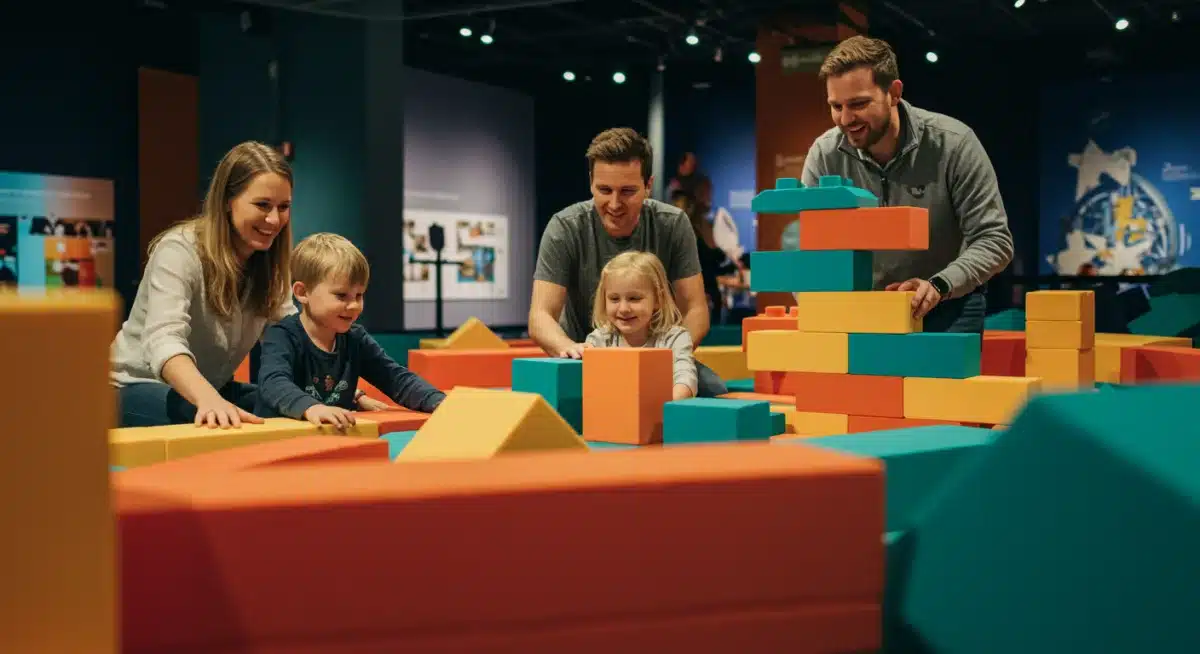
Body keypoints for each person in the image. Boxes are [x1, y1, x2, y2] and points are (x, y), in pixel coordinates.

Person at [802, 35, 1014, 333]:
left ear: (894, 93)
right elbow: (813, 249)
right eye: (836, 106)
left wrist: (938, 285)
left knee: (942, 382)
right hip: (865, 311)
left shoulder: (954, 144)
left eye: (859, 104)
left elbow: (995, 240)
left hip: (948, 305)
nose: (846, 119)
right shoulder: (824, 154)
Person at [529, 127, 727, 397]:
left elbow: (695, 309)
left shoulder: (673, 224)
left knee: (711, 387)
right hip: (586, 357)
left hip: (658, 351)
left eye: (627, 192)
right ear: (591, 182)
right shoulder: (564, 227)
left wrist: (663, 357)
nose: (614, 203)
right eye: (604, 190)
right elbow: (541, 315)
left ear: (648, 186)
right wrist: (569, 348)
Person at [110, 141, 297, 428]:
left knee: (283, 410)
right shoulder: (179, 251)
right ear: (227, 200)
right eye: (262, 205)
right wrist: (209, 401)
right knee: (214, 421)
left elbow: (292, 336)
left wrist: (340, 392)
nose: (274, 219)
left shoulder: (270, 265)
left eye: (283, 207)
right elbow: (164, 340)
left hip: (211, 388)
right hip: (131, 389)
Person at [255, 233, 446, 429]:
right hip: (280, 438)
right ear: (303, 293)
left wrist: (438, 401)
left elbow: (395, 378)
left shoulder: (355, 338)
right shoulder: (282, 335)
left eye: (359, 295)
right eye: (341, 296)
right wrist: (311, 407)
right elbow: (273, 382)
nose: (354, 305)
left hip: (331, 440)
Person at [584, 251, 698, 401]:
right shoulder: (599, 340)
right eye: (614, 299)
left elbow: (685, 376)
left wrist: (662, 407)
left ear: (658, 299)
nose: (623, 309)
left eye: (634, 298)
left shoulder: (674, 338)